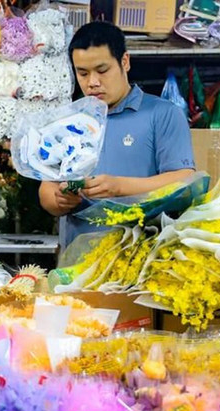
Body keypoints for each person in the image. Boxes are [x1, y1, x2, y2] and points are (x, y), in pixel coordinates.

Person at [39, 21, 195, 248]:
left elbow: (185, 182)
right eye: (82, 73)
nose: (92, 82)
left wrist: (119, 187)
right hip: (78, 260)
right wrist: (60, 200)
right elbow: (47, 190)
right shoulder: (68, 121)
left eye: (102, 71)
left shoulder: (163, 114)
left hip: (144, 258)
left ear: (125, 62)